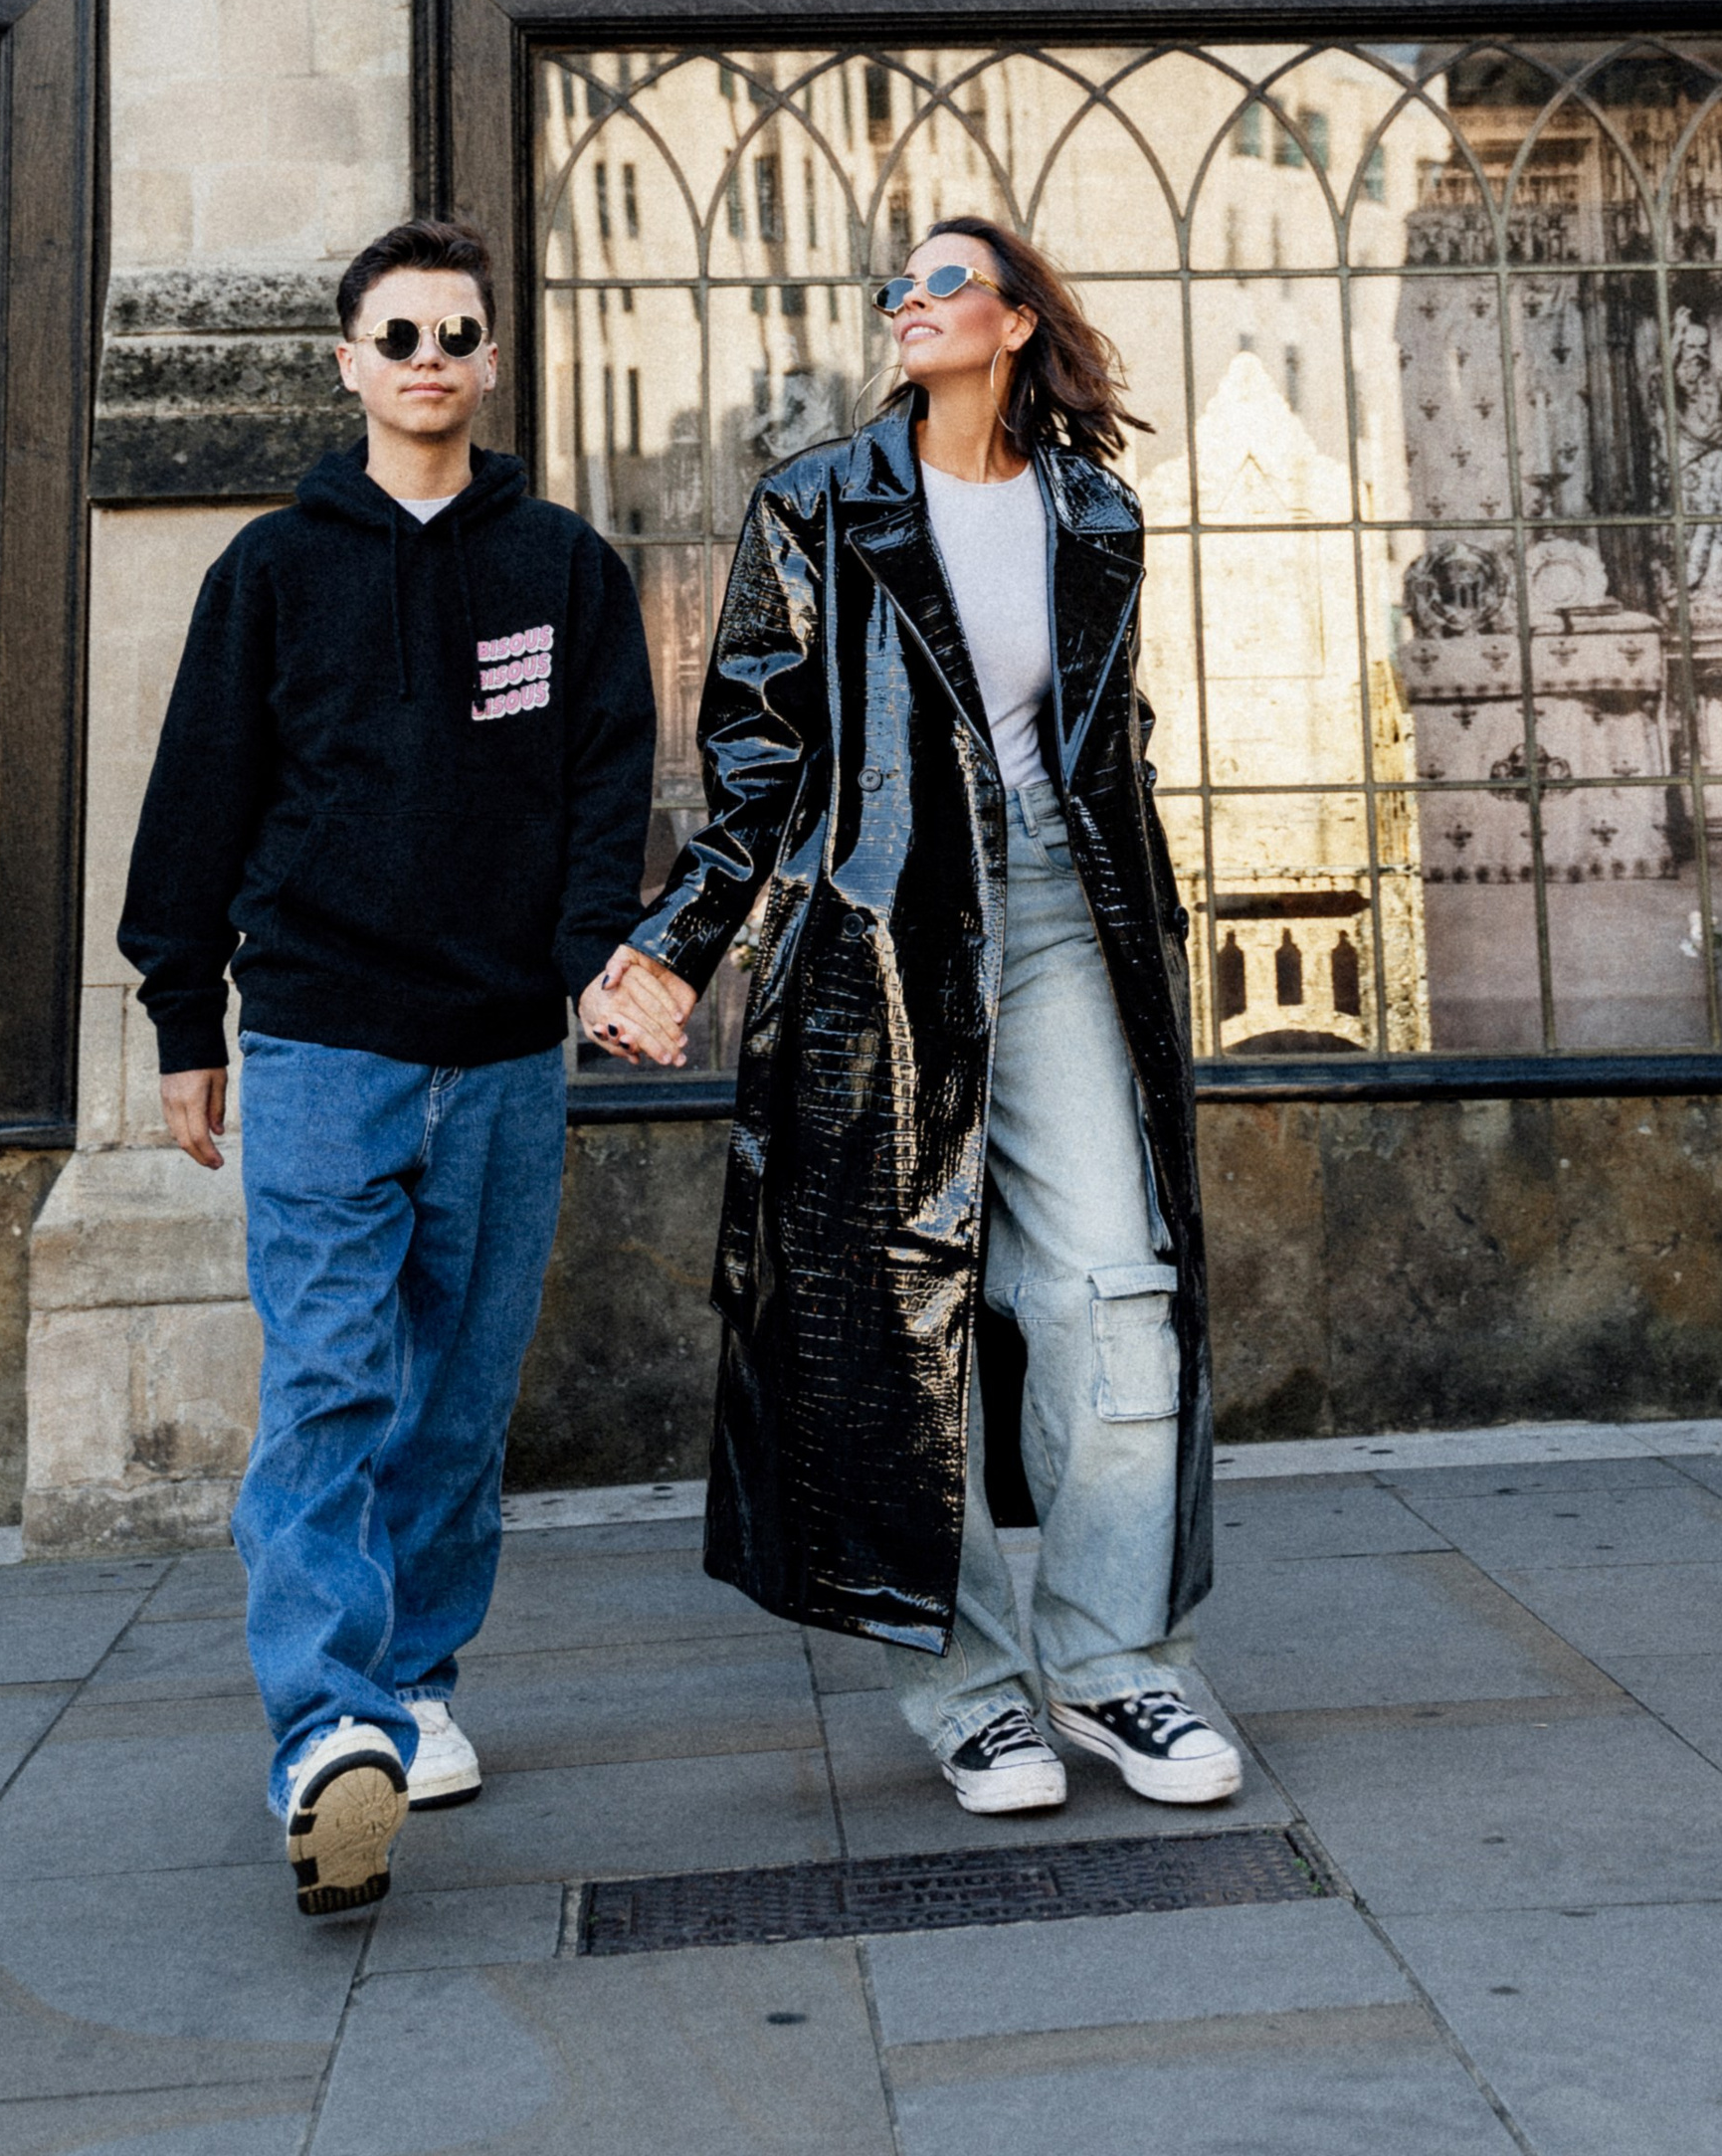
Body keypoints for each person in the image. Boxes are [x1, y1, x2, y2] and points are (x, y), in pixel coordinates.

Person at [588, 218, 1238, 1814]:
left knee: (1116, 1288)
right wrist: (674, 946)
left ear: (1016, 321)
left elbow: (1112, 739)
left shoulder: (1094, 513)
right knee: (899, 1307)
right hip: (881, 935)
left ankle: (1110, 1663)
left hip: (1065, 921)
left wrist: (1149, 924)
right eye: (897, 289)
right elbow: (755, 755)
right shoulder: (817, 503)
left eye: (944, 283)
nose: (909, 304)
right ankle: (972, 1691)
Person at [118, 216, 675, 1917]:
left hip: (504, 1052)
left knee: (457, 1396)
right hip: (320, 1044)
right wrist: (180, 1020)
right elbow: (197, 798)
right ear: (349, 364)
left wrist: (592, 961)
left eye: (458, 335)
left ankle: (416, 1679)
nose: (431, 360)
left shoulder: (564, 568)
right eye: (400, 335)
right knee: (334, 1383)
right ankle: (324, 1728)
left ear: (491, 363)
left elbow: (606, 794)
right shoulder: (273, 572)